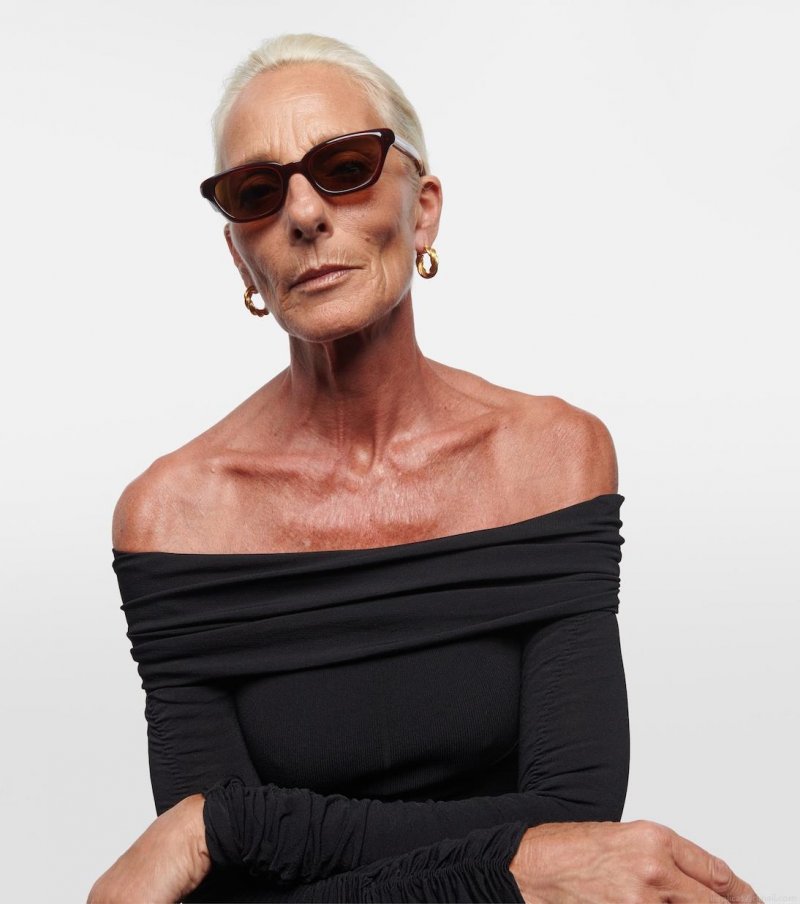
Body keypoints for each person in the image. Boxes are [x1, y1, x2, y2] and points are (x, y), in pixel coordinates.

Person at [88, 33, 761, 904]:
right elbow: (227, 895)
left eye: (345, 168)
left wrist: (224, 825)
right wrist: (518, 870)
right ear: (239, 256)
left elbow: (576, 818)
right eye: (257, 191)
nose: (304, 214)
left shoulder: (551, 458)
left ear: (425, 209)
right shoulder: (175, 518)